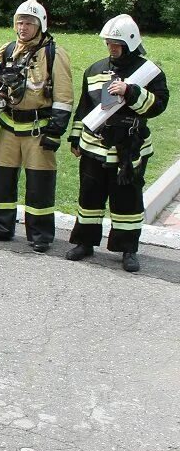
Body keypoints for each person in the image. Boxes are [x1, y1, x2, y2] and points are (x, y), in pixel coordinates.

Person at [65, 14, 169, 272]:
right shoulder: (95, 70)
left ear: (130, 43)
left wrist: (130, 91)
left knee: (127, 201)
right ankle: (85, 242)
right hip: (94, 146)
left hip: (129, 149)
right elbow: (84, 107)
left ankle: (128, 249)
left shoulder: (149, 73)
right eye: (109, 43)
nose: (111, 48)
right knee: (89, 197)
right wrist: (76, 137)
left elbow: (158, 106)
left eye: (116, 43)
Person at [0, 0, 73, 253]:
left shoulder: (53, 54)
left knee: (40, 184)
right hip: (9, 126)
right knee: (3, 180)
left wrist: (55, 131)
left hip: (39, 129)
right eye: (20, 22)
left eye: (29, 22)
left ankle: (40, 234)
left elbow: (63, 96)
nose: (23, 27)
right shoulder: (6, 51)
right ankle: (2, 227)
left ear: (40, 25)